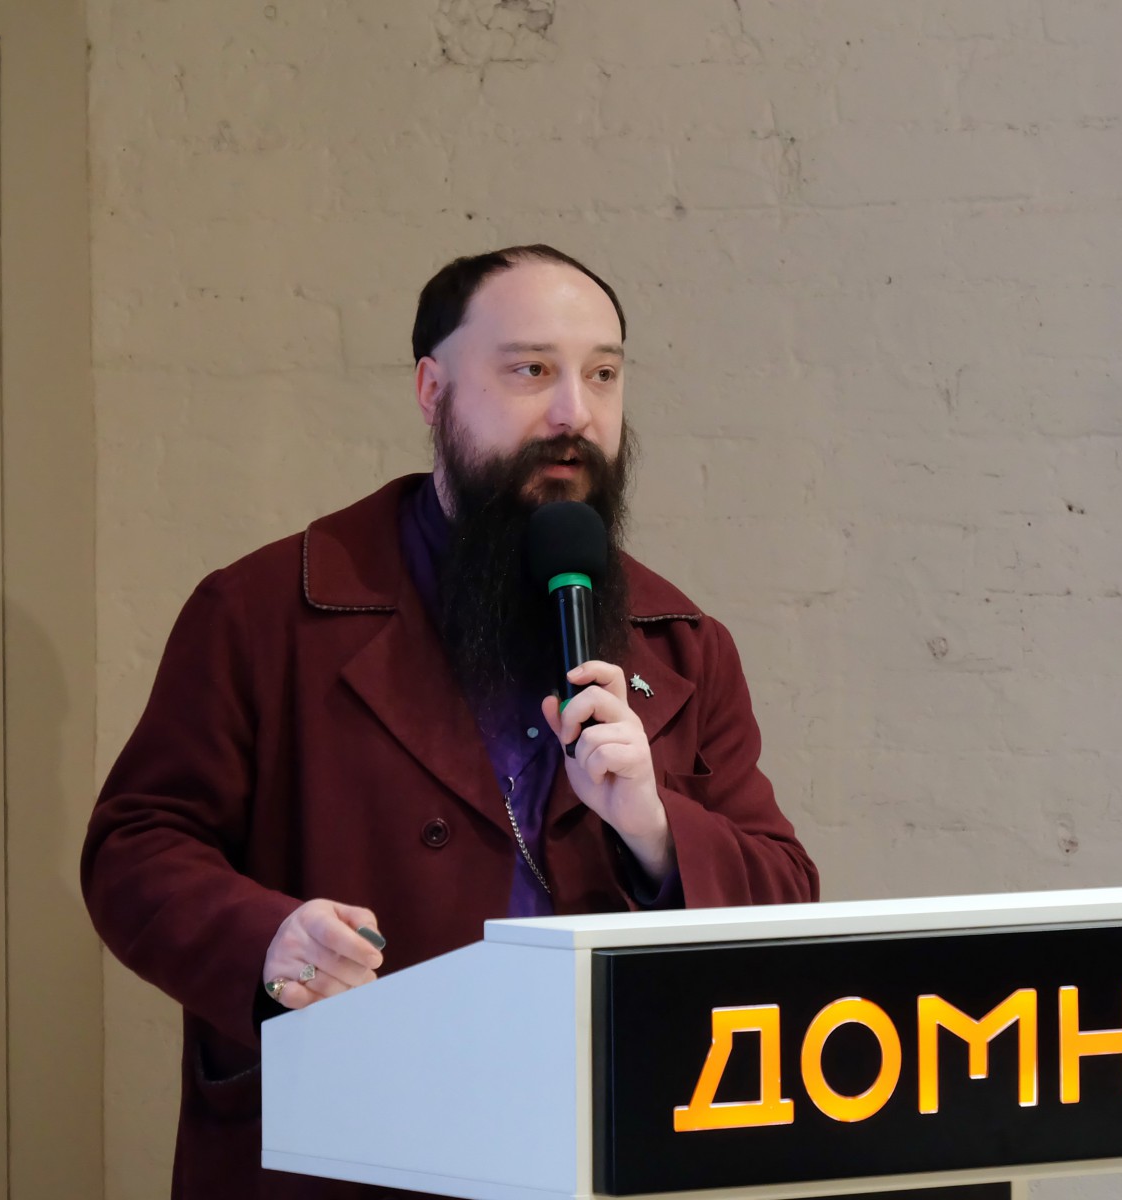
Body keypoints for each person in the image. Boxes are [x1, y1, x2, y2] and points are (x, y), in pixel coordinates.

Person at [81, 244, 819, 1200]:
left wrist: (654, 829)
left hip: (601, 1148)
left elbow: (787, 896)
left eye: (603, 374)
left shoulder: (679, 643)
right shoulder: (265, 612)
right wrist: (266, 942)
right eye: (531, 370)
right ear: (432, 391)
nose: (574, 413)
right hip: (351, 1144)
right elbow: (136, 847)